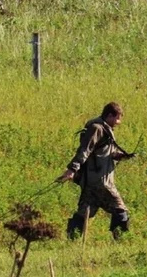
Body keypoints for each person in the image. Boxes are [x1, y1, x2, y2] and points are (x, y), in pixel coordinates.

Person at [57, 102, 135, 240]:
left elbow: (103, 152)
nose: (119, 122)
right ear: (110, 115)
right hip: (101, 183)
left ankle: (71, 240)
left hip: (90, 183)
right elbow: (84, 151)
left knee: (83, 213)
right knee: (120, 211)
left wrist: (121, 155)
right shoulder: (97, 128)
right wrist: (72, 170)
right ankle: (121, 241)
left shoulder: (104, 129)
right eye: (117, 118)